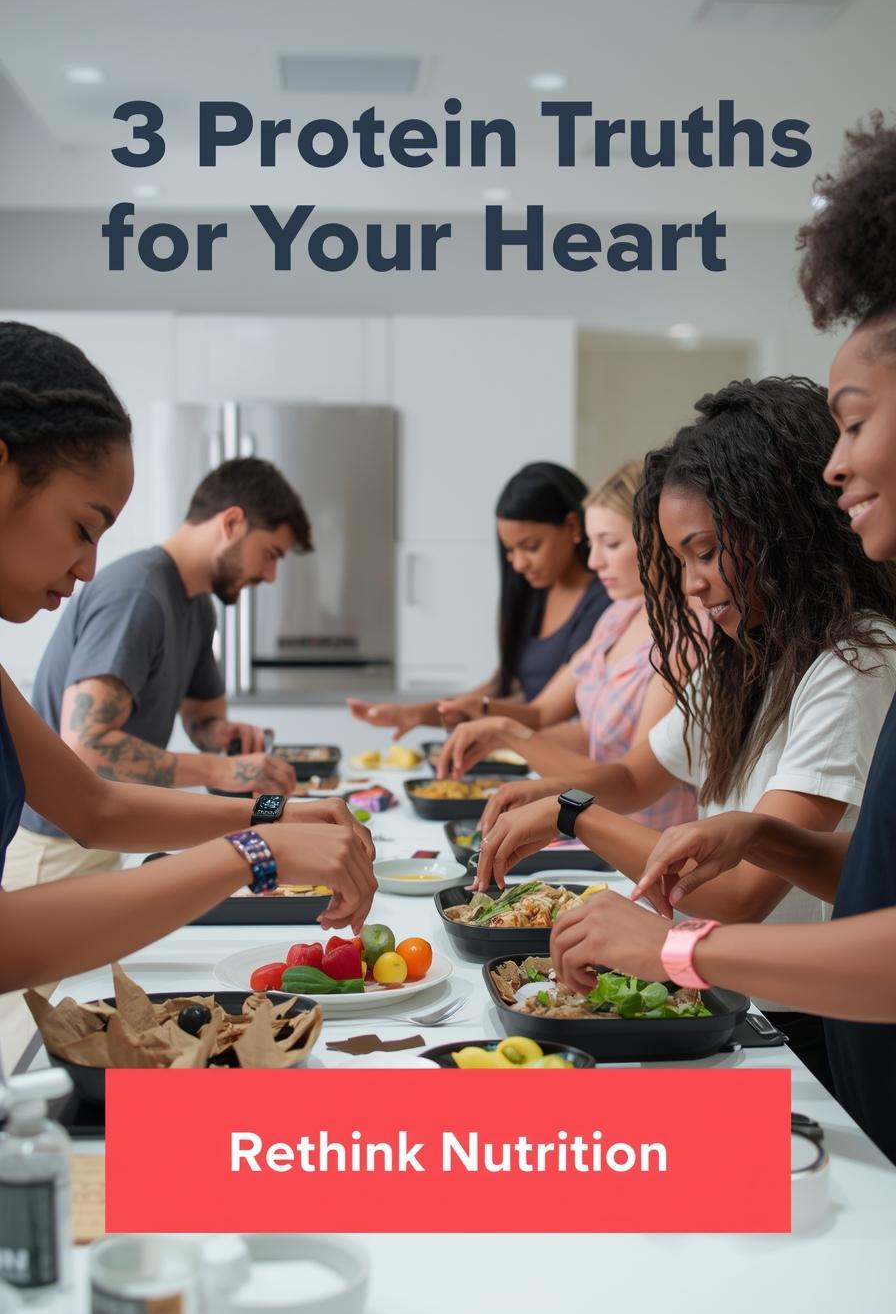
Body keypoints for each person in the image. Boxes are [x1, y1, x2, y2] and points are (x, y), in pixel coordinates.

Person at [559, 115, 896, 1162]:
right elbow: (872, 879)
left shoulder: (858, 653)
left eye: (854, 421)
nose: (835, 467)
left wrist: (674, 943)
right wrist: (763, 833)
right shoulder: (761, 657)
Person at [473, 376, 896, 1083]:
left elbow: (741, 895)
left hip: (792, 1020)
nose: (694, 586)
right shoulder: (748, 655)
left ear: (782, 525)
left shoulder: (856, 659)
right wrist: (553, 795)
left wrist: (574, 814)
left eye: (706, 553)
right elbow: (640, 774)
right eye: (680, 562)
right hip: (733, 995)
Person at [0, 322, 374, 1070]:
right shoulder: (137, 591)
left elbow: (95, 805)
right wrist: (255, 846)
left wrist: (277, 814)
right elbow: (92, 764)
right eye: (82, 526)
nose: (84, 570)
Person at [4, 455, 310, 891]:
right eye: (270, 554)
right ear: (233, 522)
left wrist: (222, 736)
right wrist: (219, 772)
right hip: (54, 846)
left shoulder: (198, 606)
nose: (270, 574)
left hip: (111, 829)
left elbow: (202, 716)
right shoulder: (138, 593)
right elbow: (87, 746)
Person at [436, 462, 698, 829]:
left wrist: (510, 735)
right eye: (592, 545)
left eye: (611, 544)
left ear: (658, 537)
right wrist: (497, 732)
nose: (593, 561)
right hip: (600, 830)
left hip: (648, 842)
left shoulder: (688, 640)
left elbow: (633, 781)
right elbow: (577, 727)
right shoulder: (618, 616)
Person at [347, 460, 609, 738]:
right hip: (528, 755)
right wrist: (415, 713)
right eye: (510, 550)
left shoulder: (603, 605)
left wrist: (463, 713)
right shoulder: (535, 594)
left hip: (563, 759)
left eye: (530, 547)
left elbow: (540, 713)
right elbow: (502, 686)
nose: (518, 564)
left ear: (572, 526)